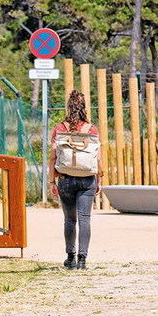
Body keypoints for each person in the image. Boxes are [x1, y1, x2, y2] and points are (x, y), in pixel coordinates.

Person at [49, 90, 102, 270]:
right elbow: (97, 158)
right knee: (85, 219)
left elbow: (52, 157)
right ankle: (82, 259)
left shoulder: (59, 129)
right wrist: (99, 180)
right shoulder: (92, 129)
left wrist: (51, 181)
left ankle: (70, 258)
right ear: (83, 108)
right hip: (87, 179)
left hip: (65, 179)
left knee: (70, 220)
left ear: (68, 107)